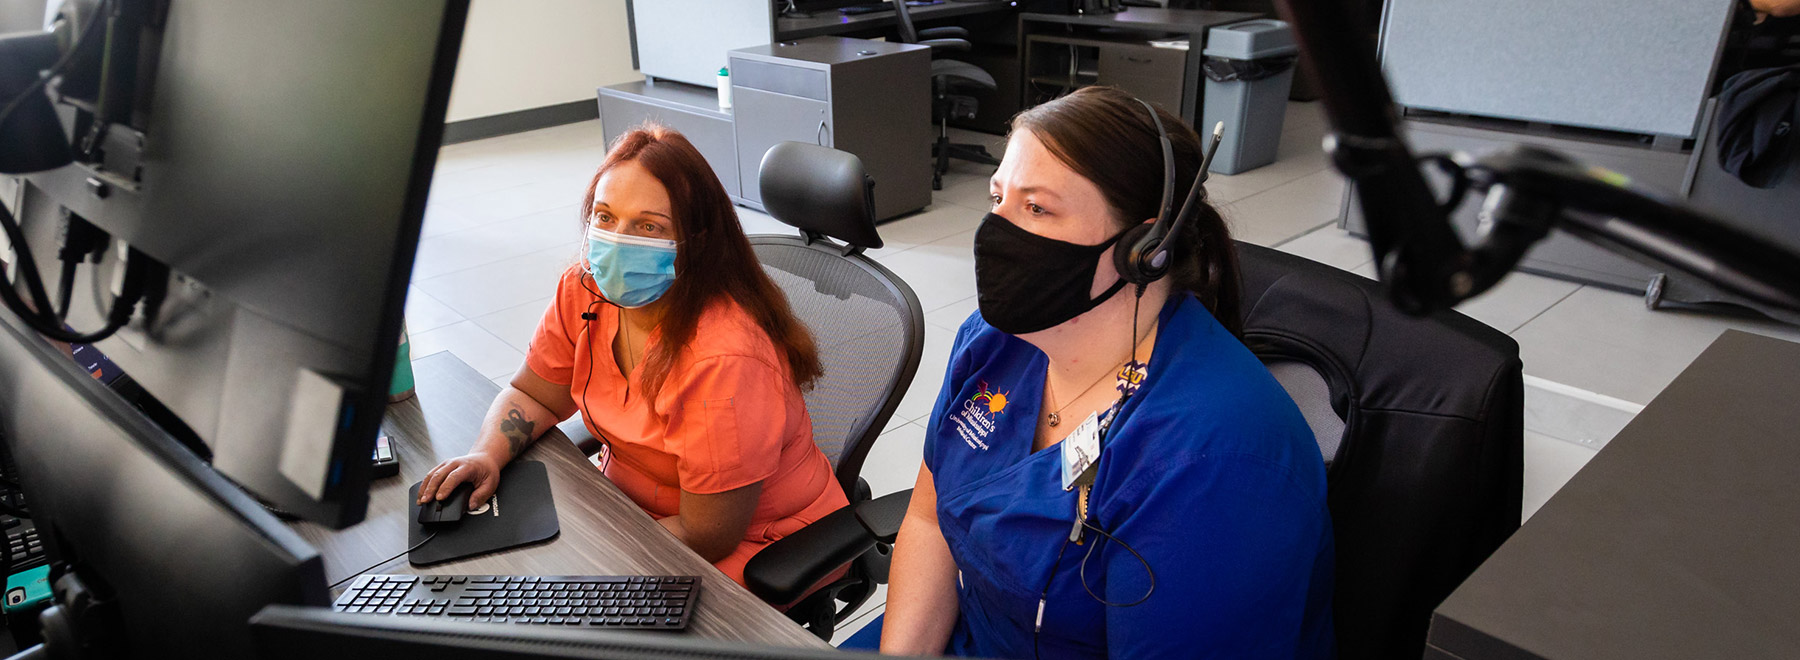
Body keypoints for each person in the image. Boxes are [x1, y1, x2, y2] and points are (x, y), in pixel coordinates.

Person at [878, 86, 1336, 658]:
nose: (997, 230)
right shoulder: (994, 342)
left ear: (1144, 247)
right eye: (998, 198)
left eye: (1037, 207)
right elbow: (927, 521)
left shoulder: (1218, 459)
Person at [417, 124, 848, 587]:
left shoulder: (724, 357)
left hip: (762, 548)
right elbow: (534, 395)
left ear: (695, 242)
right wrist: (487, 455)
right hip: (632, 509)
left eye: (648, 226)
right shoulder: (584, 293)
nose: (618, 241)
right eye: (605, 218)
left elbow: (710, 535)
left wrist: (591, 565)